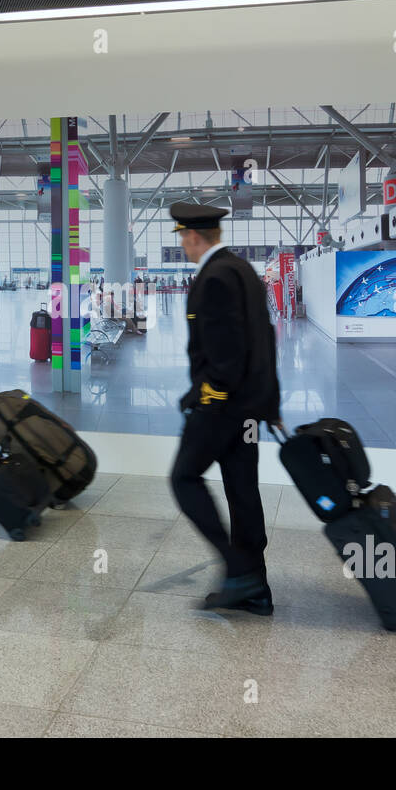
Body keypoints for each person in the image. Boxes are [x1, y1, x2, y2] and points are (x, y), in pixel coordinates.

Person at [168, 203, 281, 616]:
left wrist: (205, 400)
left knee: (183, 478)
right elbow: (265, 339)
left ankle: (238, 571)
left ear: (196, 237)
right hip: (250, 406)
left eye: (183, 238)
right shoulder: (243, 270)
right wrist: (271, 402)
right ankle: (256, 587)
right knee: (242, 491)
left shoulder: (214, 277)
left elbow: (227, 355)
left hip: (224, 407)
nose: (183, 245)